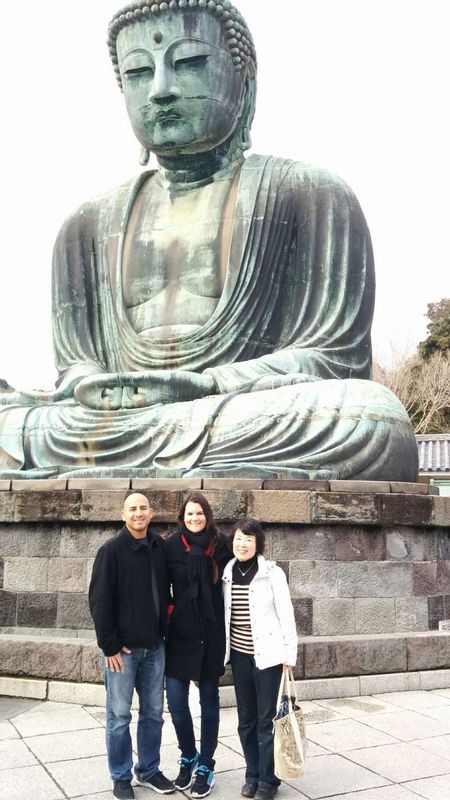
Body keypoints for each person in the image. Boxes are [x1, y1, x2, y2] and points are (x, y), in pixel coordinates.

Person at [0, 0, 418, 482]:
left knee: (368, 419)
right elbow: (76, 369)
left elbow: (334, 360)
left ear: (243, 82)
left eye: (189, 63)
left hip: (241, 410)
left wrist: (205, 383)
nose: (161, 90)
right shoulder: (85, 224)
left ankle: (137, 463)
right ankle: (158, 461)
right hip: (112, 422)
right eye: (138, 72)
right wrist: (97, 389)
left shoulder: (310, 194)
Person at [88, 492, 174, 800]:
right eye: (132, 509)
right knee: (119, 715)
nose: (138, 513)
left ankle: (148, 770)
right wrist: (109, 646)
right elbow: (99, 601)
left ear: (151, 514)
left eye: (143, 508)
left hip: (155, 648)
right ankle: (121, 776)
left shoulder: (160, 547)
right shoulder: (110, 552)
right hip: (121, 653)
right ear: (123, 515)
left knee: (153, 713)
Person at [223, 518, 298, 800]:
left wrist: (290, 654)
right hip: (239, 656)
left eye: (248, 539)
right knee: (246, 720)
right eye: (238, 538)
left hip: (268, 658)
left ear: (258, 544)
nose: (242, 544)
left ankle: (269, 779)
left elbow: (286, 613)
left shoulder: (271, 572)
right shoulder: (228, 571)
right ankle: (251, 774)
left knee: (267, 719)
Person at [163, 491, 231, 798]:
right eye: (189, 514)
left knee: (209, 703)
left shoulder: (223, 544)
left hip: (211, 632)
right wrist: (169, 613)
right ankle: (188, 755)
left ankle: (206, 764)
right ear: (182, 517)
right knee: (176, 702)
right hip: (180, 634)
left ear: (207, 516)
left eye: (199, 514)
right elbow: (161, 586)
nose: (194, 519)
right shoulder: (171, 545)